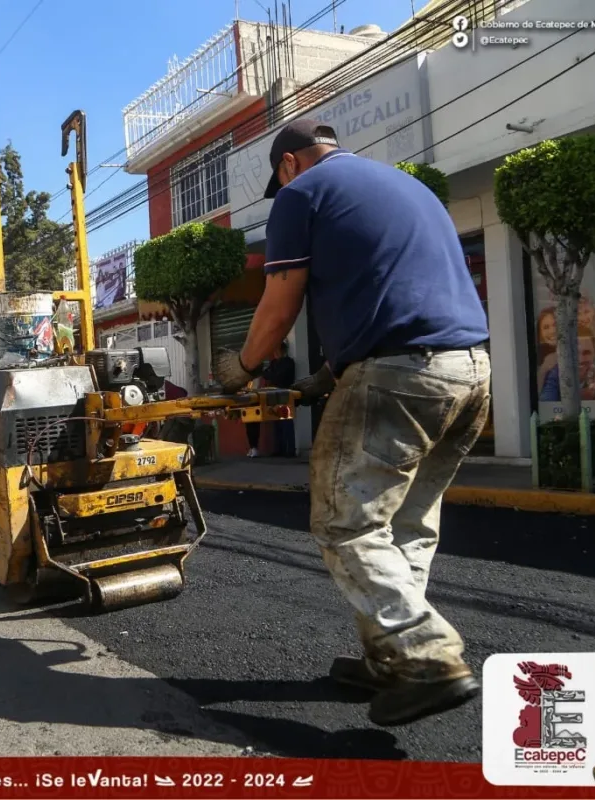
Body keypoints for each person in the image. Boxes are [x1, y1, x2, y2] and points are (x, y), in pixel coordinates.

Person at [213, 118, 491, 727]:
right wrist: (328, 373)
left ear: (288, 163)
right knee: (407, 526)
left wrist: (243, 366)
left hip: (399, 375)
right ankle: (389, 657)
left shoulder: (300, 194)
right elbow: (391, 290)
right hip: (470, 372)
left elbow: (281, 297)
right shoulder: (404, 187)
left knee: (346, 522)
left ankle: (423, 655)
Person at [264, 341, 297, 457]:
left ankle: (290, 449)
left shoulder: (288, 363)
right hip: (274, 394)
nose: (275, 353)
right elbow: (266, 374)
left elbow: (280, 376)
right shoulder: (274, 363)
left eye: (277, 351)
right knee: (276, 422)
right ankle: (279, 448)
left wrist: (272, 375)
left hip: (285, 394)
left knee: (286, 421)